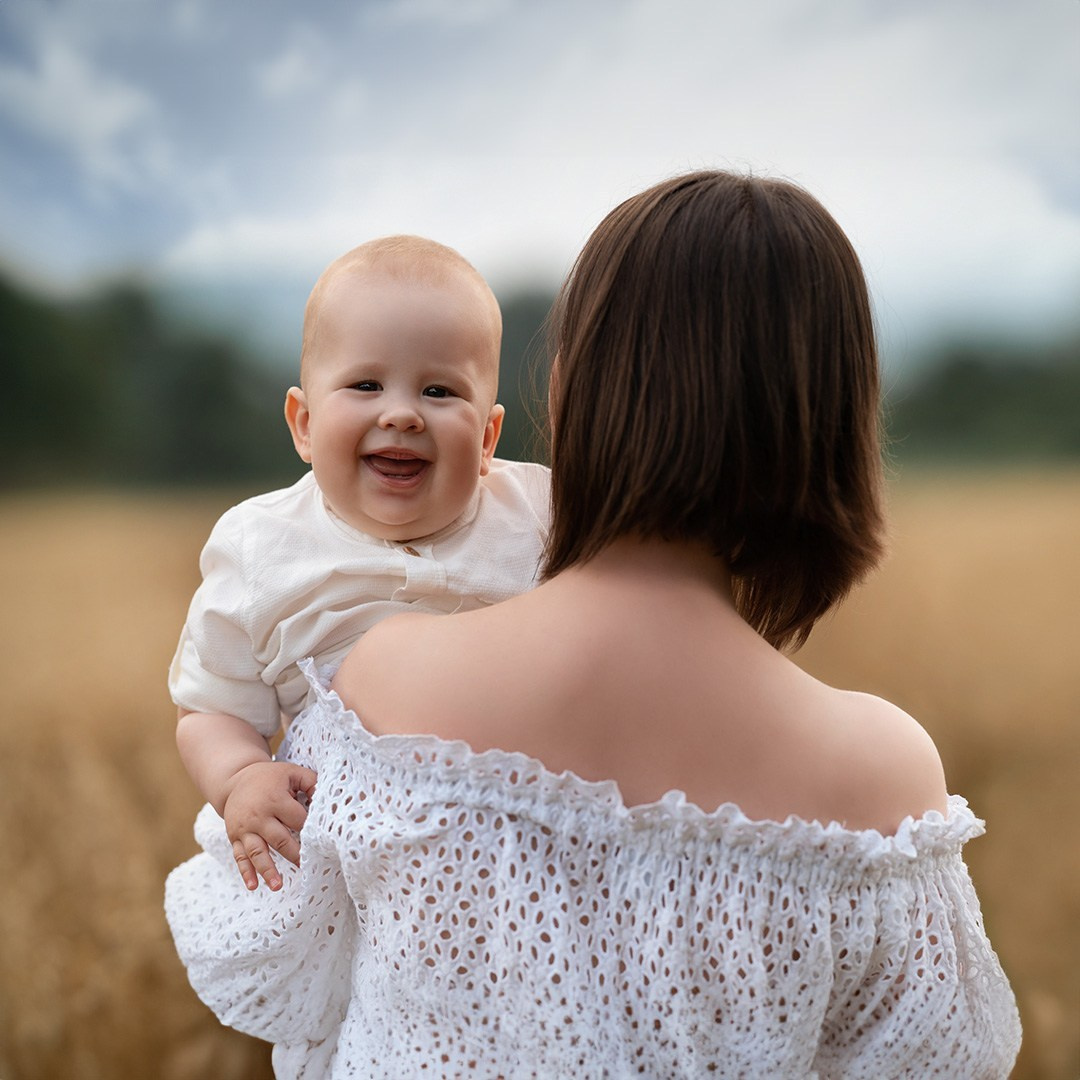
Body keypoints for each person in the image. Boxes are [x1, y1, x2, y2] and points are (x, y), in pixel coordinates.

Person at [166, 171, 1021, 1077]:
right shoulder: (888, 784)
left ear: (567, 395)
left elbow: (282, 964)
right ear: (834, 429)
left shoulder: (382, 685)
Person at [169, 234, 550, 892]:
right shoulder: (261, 548)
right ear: (305, 424)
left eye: (438, 391)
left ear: (487, 438)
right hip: (349, 865)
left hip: (524, 857)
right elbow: (211, 708)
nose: (400, 414)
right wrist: (239, 778)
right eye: (366, 384)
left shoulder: (537, 513)